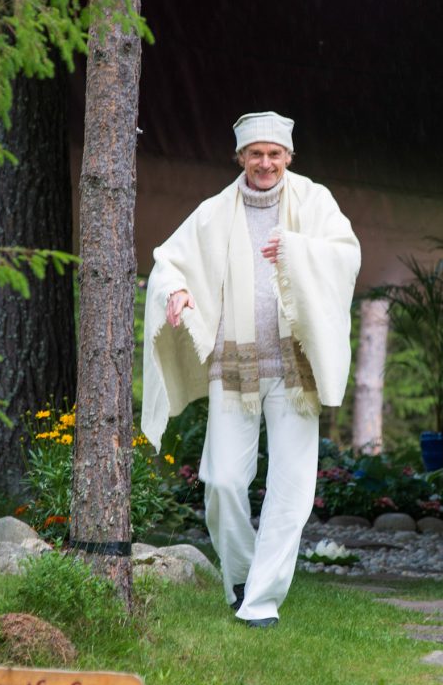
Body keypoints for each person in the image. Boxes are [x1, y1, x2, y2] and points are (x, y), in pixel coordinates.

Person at [142, 111, 360, 627]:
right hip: (235, 363)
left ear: (289, 157)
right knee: (221, 481)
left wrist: (295, 250)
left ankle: (260, 601)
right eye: (255, 154)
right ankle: (242, 575)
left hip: (294, 367)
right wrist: (175, 290)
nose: (265, 163)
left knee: (291, 488)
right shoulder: (215, 211)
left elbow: (347, 256)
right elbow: (168, 259)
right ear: (239, 157)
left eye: (274, 154)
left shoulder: (315, 201)